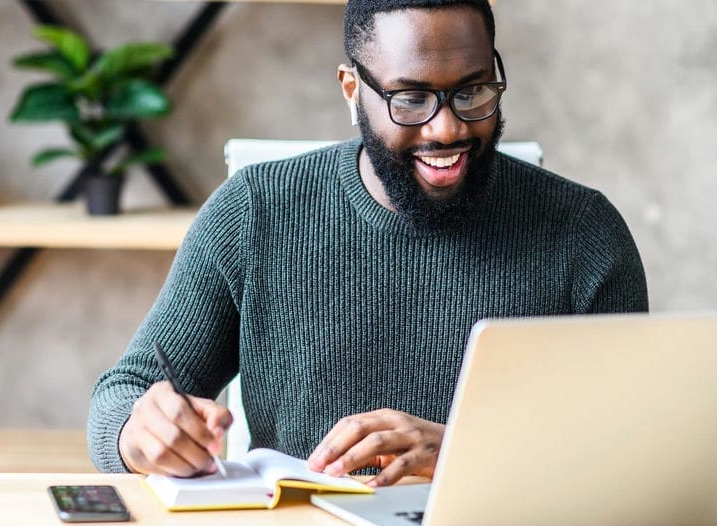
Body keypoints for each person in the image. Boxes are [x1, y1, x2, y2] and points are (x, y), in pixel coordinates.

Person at [88, 0, 648, 487]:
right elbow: (120, 397)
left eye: (472, 91)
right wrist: (140, 432)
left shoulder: (583, 232)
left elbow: (635, 448)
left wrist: (461, 451)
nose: (446, 129)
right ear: (352, 90)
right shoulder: (253, 212)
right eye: (410, 99)